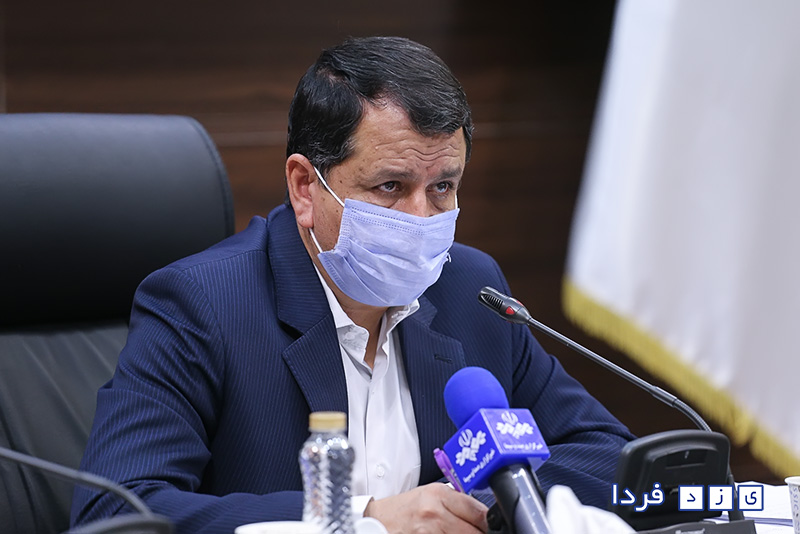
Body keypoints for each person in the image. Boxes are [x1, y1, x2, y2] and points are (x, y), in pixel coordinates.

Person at [71, 36, 634, 534]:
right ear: (304, 187)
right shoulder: (204, 305)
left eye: (442, 187)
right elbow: (115, 512)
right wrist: (364, 520)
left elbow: (612, 460)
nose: (420, 218)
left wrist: (473, 507)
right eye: (390, 186)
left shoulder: (472, 290)